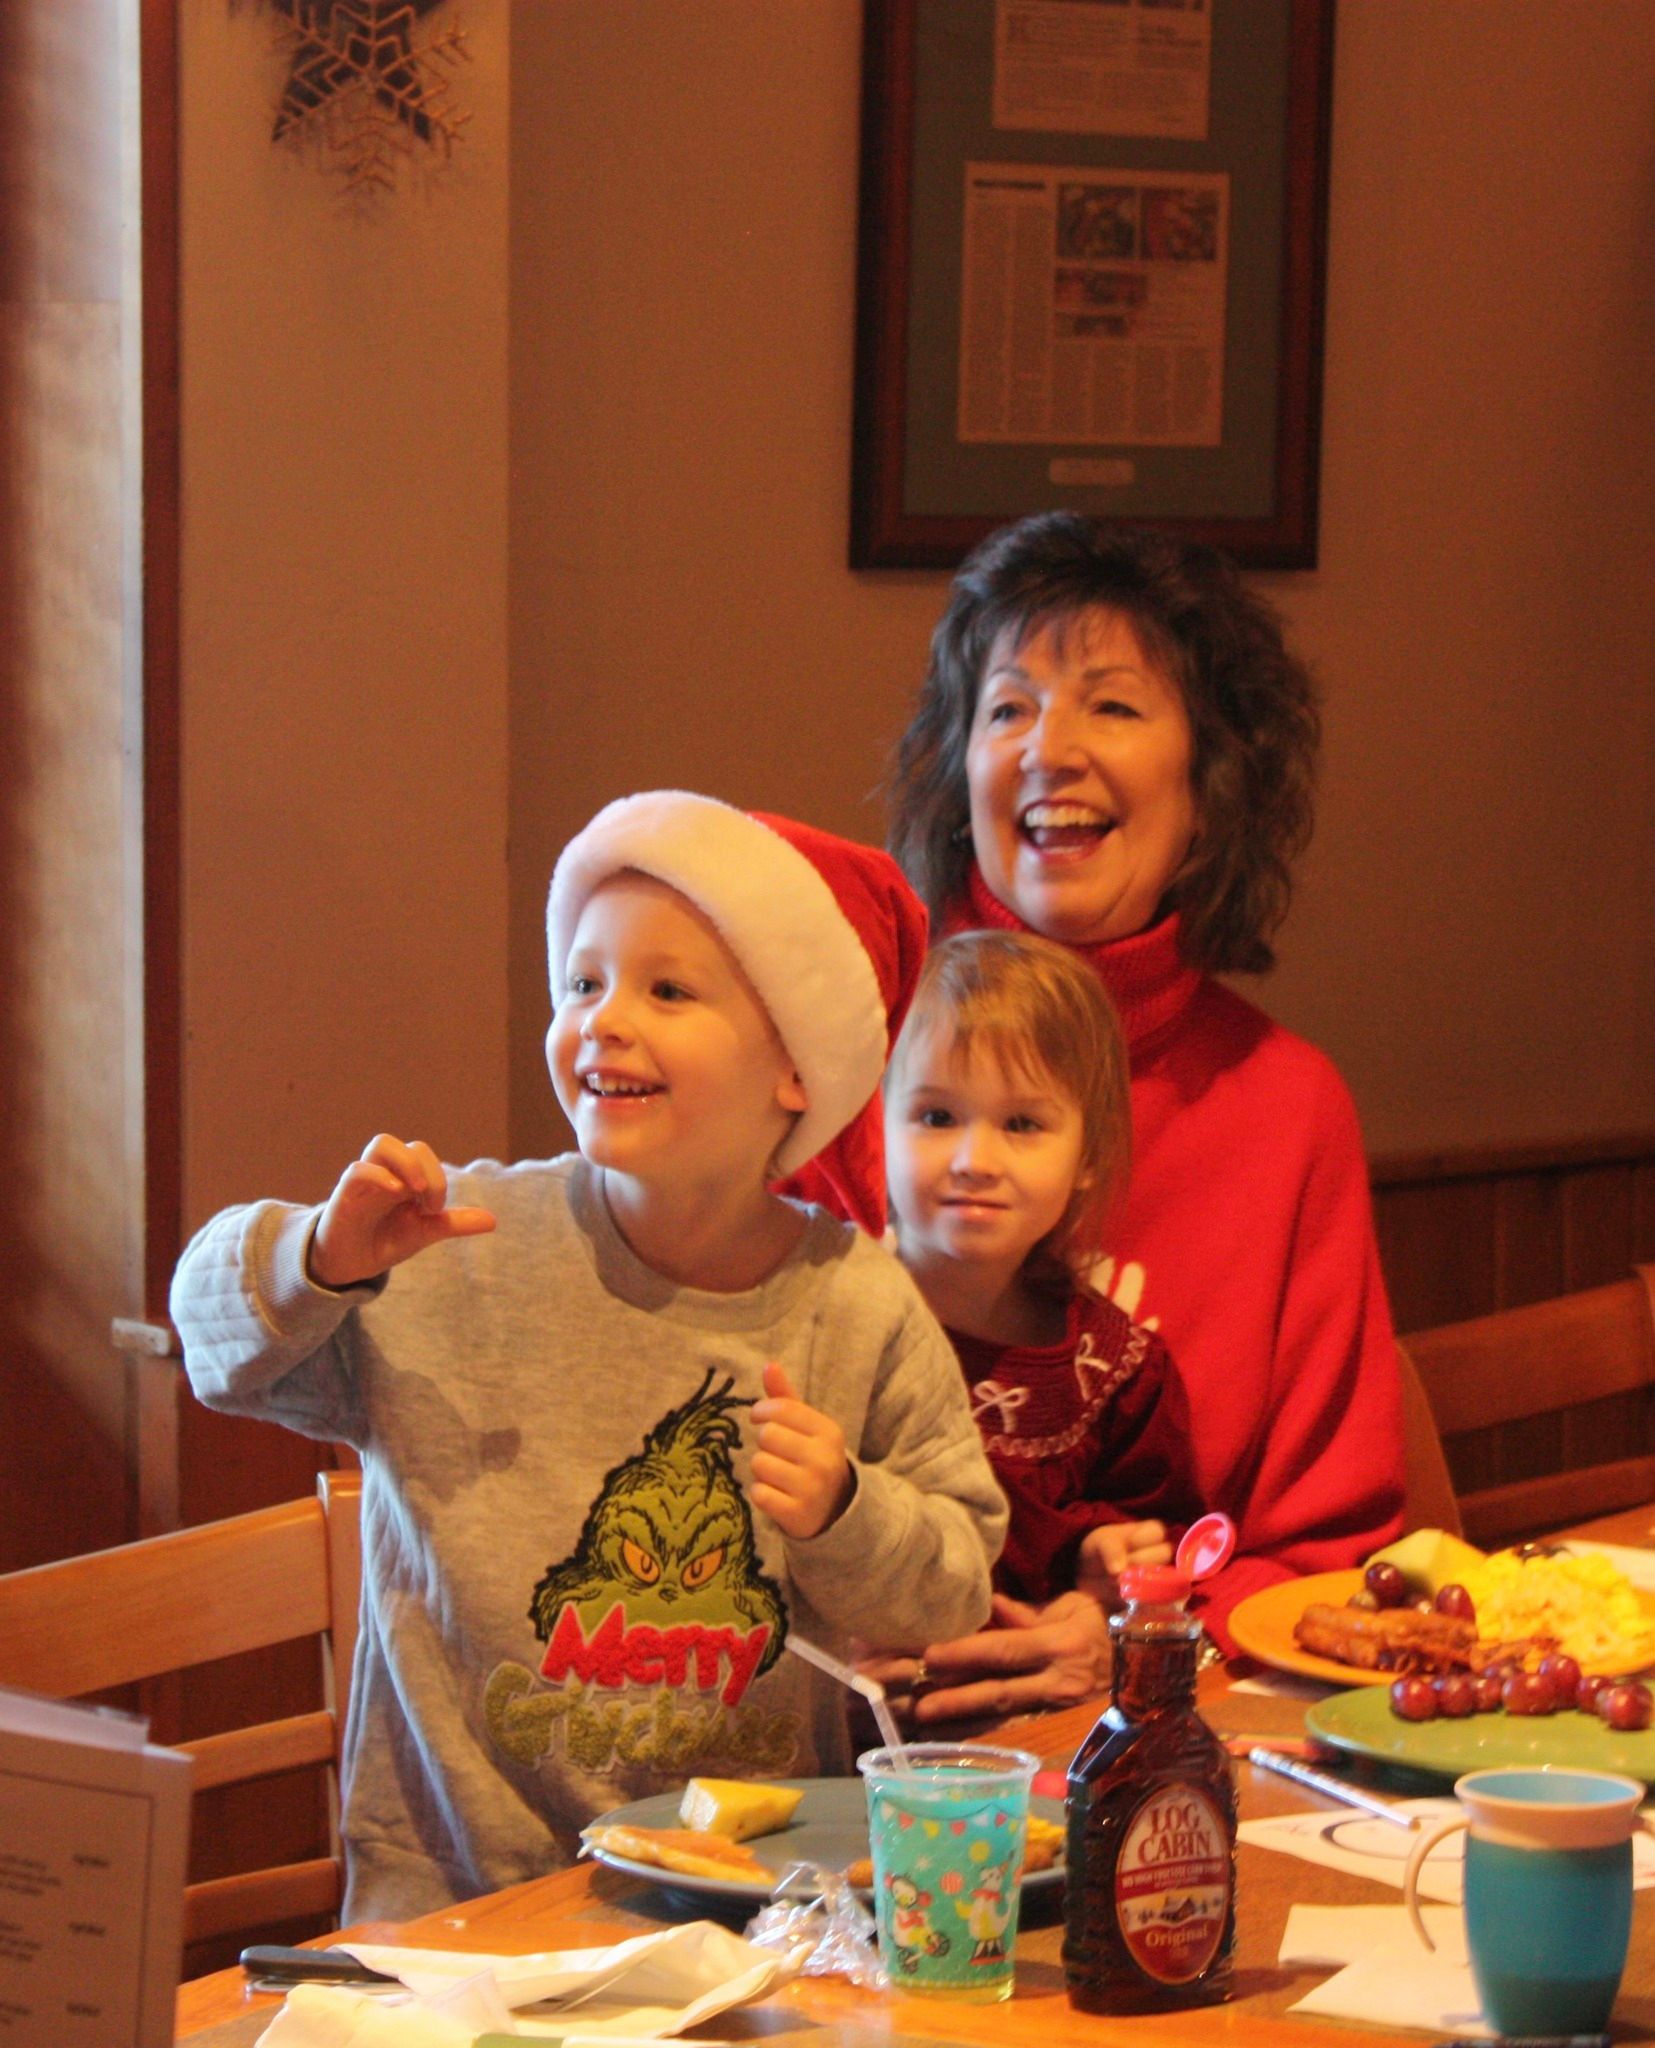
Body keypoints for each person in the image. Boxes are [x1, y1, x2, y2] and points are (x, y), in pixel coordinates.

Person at [170, 790, 1007, 1920]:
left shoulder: (851, 1300)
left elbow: (954, 1583)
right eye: (582, 982)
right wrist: (314, 1256)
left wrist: (843, 1510)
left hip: (750, 1915)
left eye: (666, 989)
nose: (604, 1018)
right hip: (452, 1914)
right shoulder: (447, 1244)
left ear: (795, 1069)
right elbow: (218, 1350)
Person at [884, 512, 1404, 1713]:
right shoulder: (843, 1058)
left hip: (1160, 1733)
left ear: (1208, 789)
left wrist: (1142, 1635)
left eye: (1110, 706)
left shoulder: (1283, 1109)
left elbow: (1325, 1547)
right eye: (1006, 708)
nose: (1045, 750)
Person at [881, 929, 1198, 1634]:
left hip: (1051, 1713)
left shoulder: (1117, 1372)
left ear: (1087, 1153)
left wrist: (1108, 1566)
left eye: (1022, 1123)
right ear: (876, 1129)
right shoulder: (828, 1327)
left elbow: (1161, 1546)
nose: (974, 1159)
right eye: (936, 1117)